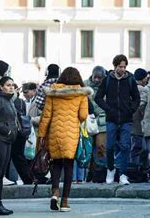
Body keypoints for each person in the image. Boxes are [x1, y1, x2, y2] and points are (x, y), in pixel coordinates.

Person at [37, 67, 91, 212]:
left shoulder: (52, 92)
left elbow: (46, 116)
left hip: (55, 131)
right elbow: (83, 116)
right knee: (68, 166)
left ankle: (55, 192)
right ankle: (65, 201)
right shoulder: (81, 93)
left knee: (56, 164)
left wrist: (41, 135)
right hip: (71, 133)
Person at [95, 55, 140, 186]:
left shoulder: (130, 80)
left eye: (125, 66)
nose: (123, 69)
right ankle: (110, 169)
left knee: (126, 147)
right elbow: (98, 97)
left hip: (126, 118)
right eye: (120, 66)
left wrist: (131, 109)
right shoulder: (107, 80)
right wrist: (108, 109)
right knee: (109, 147)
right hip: (111, 118)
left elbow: (136, 98)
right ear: (115, 66)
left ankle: (123, 174)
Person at [0, 77, 18, 216]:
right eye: (8, 85)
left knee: (0, 174)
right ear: (1, 87)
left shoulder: (8, 100)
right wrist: (6, 130)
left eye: (13, 85)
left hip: (7, 141)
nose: (11, 87)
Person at [84, 66, 107, 182]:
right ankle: (90, 172)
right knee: (87, 147)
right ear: (92, 75)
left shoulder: (107, 85)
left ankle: (99, 173)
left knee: (100, 147)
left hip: (102, 121)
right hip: (88, 120)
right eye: (95, 77)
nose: (97, 80)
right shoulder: (84, 85)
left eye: (100, 78)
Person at [9, 85, 33, 185]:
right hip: (21, 132)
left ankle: (27, 179)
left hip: (14, 131)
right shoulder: (20, 101)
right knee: (19, 157)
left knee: (15, 156)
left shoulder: (12, 101)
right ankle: (28, 179)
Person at [130, 68, 149, 169]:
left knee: (134, 148)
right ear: (143, 78)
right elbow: (142, 106)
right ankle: (137, 170)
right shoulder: (142, 89)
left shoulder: (130, 87)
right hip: (139, 123)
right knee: (139, 149)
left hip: (131, 123)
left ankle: (133, 169)